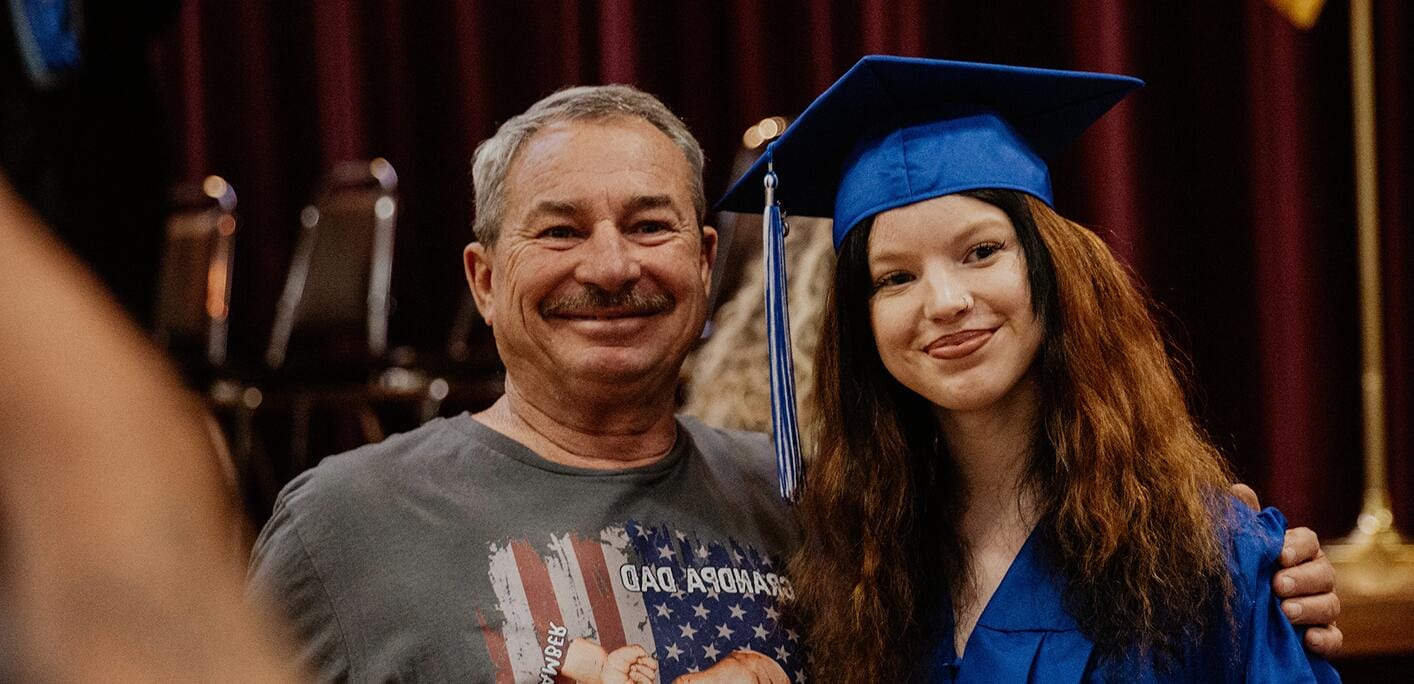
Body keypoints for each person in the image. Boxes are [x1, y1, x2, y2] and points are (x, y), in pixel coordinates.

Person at [249, 82, 1338, 682]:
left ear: (708, 266)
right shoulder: (340, 526)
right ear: (483, 281)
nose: (613, 266)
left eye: (649, 225)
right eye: (560, 231)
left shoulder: (818, 516)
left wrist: (1247, 574)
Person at [718, 56, 1341, 682]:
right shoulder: (856, 571)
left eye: (982, 251)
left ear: (1051, 268)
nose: (945, 302)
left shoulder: (1209, 557)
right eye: (895, 278)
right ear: (861, 322)